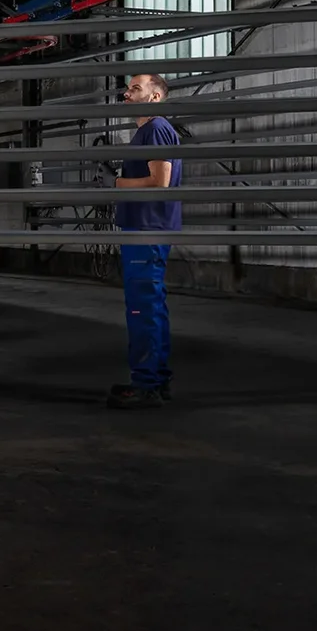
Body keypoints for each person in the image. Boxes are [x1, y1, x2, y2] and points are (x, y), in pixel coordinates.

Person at [108, 72, 183, 409]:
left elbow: (160, 182)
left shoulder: (155, 128)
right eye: (127, 88)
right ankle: (157, 379)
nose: (127, 93)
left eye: (135, 88)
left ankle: (146, 385)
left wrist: (117, 184)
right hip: (147, 228)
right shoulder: (147, 131)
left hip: (146, 230)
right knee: (152, 306)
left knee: (142, 308)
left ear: (155, 96)